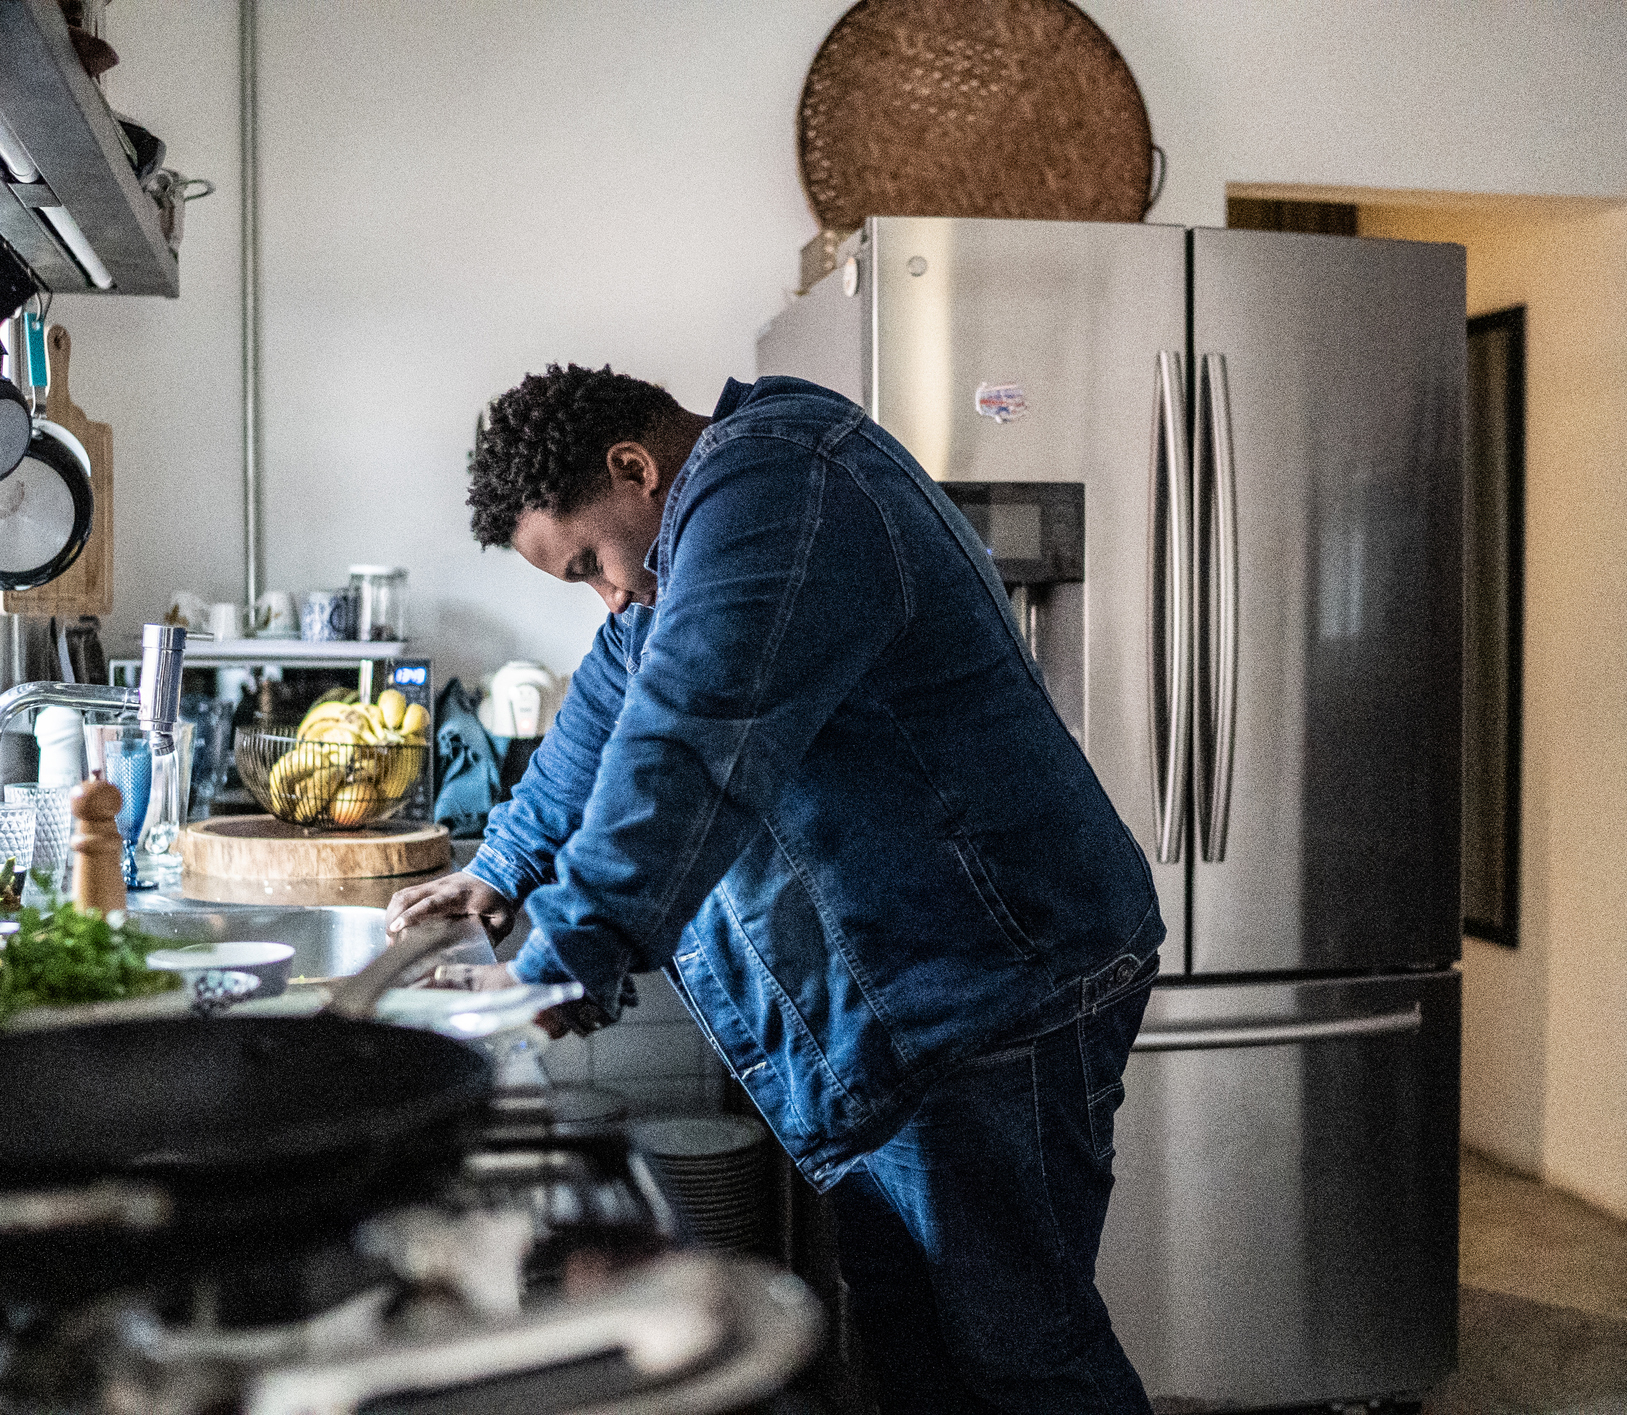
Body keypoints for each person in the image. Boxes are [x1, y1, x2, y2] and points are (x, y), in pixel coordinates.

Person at [389, 364, 1161, 1413]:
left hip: (998, 985)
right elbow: (615, 696)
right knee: (913, 1339)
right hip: (918, 1002)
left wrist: (573, 945)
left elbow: (688, 734)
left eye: (589, 565)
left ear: (634, 467)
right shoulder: (698, 529)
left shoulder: (776, 484)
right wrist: (501, 863)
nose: (608, 598)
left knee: (1021, 1351)